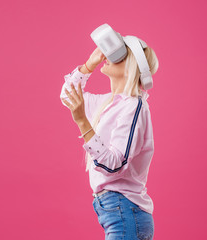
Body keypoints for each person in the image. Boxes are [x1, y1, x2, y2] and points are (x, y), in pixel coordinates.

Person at [60, 40, 159, 240]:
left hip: (125, 210)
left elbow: (115, 164)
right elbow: (67, 95)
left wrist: (82, 122)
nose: (110, 55)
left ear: (129, 65)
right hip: (115, 210)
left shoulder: (133, 106)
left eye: (120, 55)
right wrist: (89, 65)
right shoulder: (108, 103)